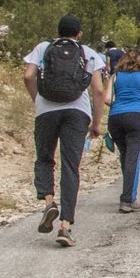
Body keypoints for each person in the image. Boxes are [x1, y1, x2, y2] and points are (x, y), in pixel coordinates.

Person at [22, 14, 108, 248]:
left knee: (44, 158)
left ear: (58, 31)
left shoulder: (43, 48)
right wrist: (96, 123)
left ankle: (49, 201)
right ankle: (65, 226)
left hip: (46, 112)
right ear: (79, 34)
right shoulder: (89, 52)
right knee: (70, 166)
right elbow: (99, 91)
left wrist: (37, 100)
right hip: (76, 113)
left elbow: (28, 75)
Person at [104, 47, 140, 213]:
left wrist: (117, 106)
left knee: (125, 156)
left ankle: (129, 195)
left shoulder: (115, 77)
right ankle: (127, 200)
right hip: (135, 117)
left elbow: (106, 99)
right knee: (133, 158)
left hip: (116, 118)